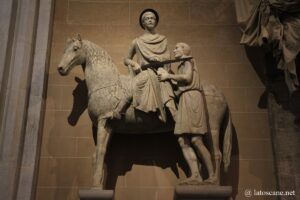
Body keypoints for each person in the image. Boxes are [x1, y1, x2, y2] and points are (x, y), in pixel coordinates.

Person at [158, 42, 216, 184]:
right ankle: (196, 175)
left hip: (192, 99)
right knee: (182, 140)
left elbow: (187, 78)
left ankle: (213, 176)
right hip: (185, 99)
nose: (174, 49)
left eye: (177, 47)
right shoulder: (181, 65)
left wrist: (168, 76)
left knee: (196, 140)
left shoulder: (188, 60)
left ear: (184, 50)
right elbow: (180, 87)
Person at [113, 8, 176, 121]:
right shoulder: (137, 41)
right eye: (147, 18)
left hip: (161, 70)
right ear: (143, 22)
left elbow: (167, 57)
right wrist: (134, 64)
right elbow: (126, 59)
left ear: (156, 21)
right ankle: (120, 109)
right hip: (145, 71)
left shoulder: (163, 39)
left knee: (165, 85)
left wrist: (159, 59)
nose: (150, 20)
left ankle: (168, 112)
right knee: (136, 85)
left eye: (152, 18)